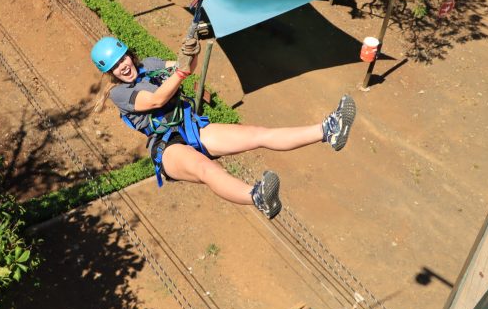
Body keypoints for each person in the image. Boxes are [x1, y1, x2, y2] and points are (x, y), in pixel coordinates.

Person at [90, 36, 356, 220]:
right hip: (167, 146)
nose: (123, 66)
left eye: (122, 58)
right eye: (115, 66)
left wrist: (189, 54)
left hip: (190, 127)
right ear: (110, 72)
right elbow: (156, 99)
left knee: (256, 133)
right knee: (207, 169)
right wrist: (181, 72)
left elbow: (186, 69)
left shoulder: (149, 64)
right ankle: (257, 196)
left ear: (128, 53)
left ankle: (329, 130)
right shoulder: (119, 93)